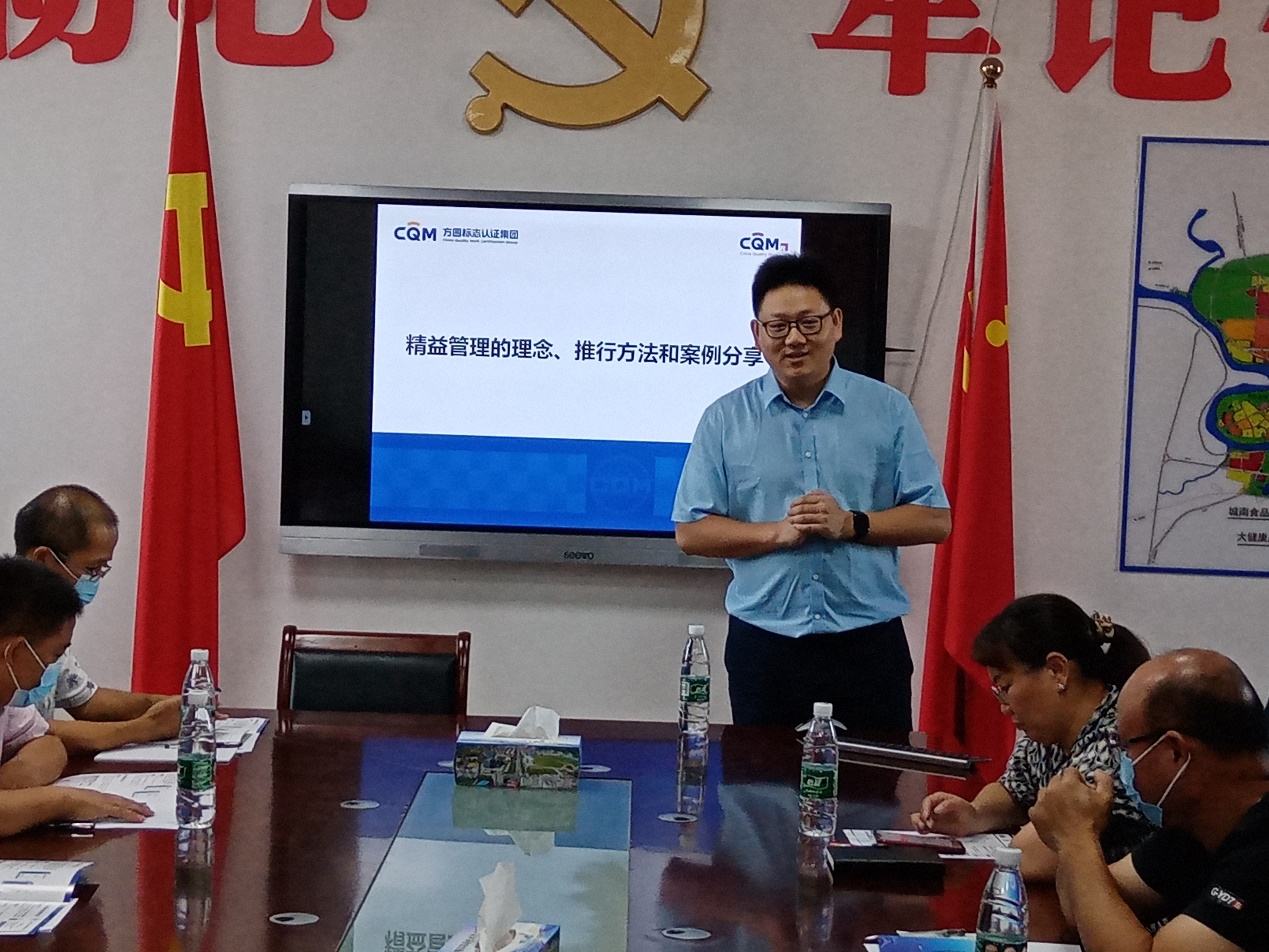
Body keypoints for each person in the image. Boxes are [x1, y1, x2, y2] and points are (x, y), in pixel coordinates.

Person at [672, 254, 951, 729]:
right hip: (765, 646)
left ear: (836, 323)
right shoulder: (724, 418)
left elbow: (935, 519)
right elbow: (691, 531)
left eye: (809, 322)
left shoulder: (888, 409)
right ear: (757, 333)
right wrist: (776, 533)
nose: (795, 339)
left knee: (874, 778)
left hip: (868, 644)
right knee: (760, 779)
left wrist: (851, 524)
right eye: (778, 327)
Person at [1029, 649, 1269, 951]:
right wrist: (1074, 841)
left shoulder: (1261, 849)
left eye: (1126, 746)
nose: (1121, 763)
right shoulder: (1196, 828)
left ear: (1175, 753)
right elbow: (1080, 913)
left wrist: (1077, 838)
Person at [911, 593, 1155, 879]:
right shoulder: (1050, 733)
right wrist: (974, 814)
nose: (1004, 707)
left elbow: (1029, 856)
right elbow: (1014, 789)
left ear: (1057, 670)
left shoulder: (1116, 744)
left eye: (1006, 687)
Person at [14, 485, 180, 754]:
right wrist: (148, 727)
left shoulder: (49, 620)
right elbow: (24, 729)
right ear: (43, 559)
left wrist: (168, 705)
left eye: (103, 569)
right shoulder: (9, 620)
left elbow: (85, 699)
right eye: (91, 568)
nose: (95, 580)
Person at [0, 557, 152, 833]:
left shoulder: (7, 703)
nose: (53, 667)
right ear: (14, 652)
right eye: (53, 656)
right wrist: (63, 802)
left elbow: (49, 744)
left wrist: (12, 790)